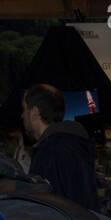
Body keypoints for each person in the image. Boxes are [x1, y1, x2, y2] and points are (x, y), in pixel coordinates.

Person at [22, 83, 100, 211]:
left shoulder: (48, 152)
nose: (22, 116)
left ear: (35, 112)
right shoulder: (76, 143)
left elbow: (47, 211)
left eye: (24, 109)